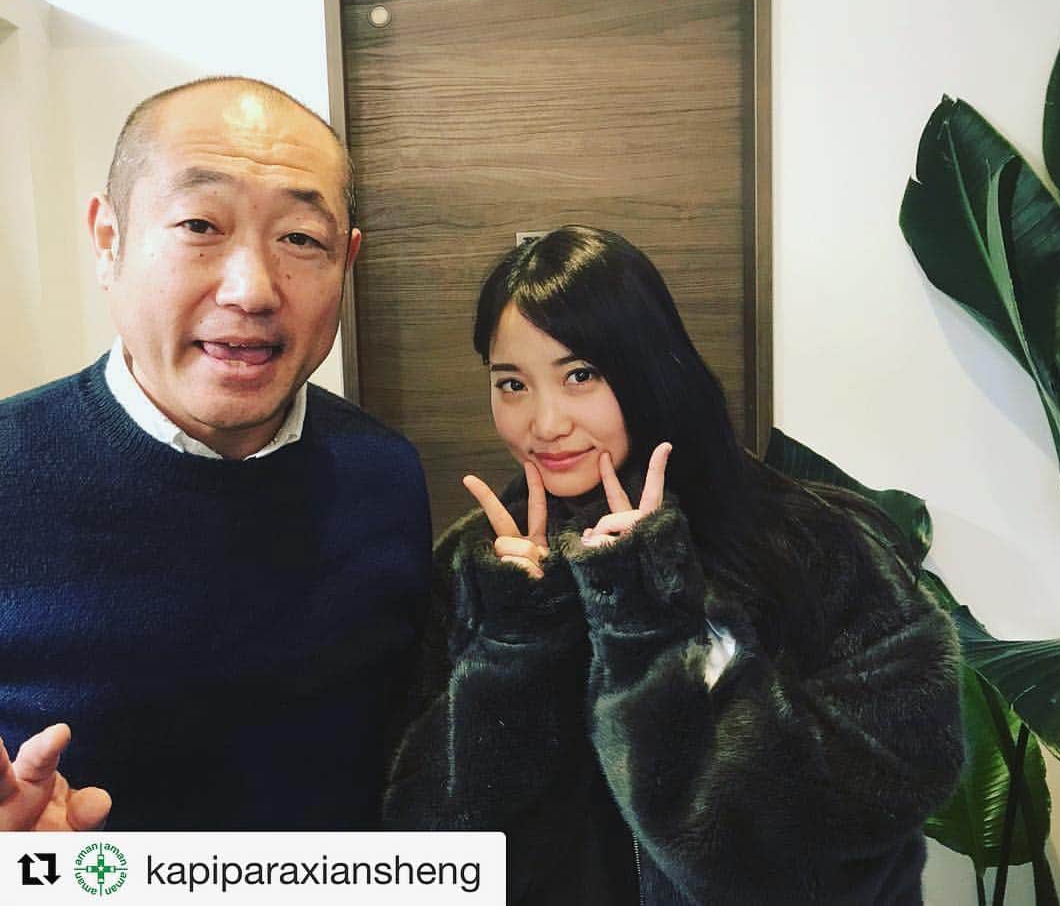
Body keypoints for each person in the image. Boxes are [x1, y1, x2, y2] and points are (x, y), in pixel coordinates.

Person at [383, 226, 963, 904]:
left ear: (648, 366)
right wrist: (517, 641)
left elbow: (871, 800)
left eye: (580, 375)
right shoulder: (479, 566)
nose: (544, 423)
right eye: (511, 383)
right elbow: (433, 853)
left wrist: (651, 622)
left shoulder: (812, 541)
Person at [0, 77, 431, 830]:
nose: (252, 290)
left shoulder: (386, 473)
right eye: (200, 224)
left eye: (301, 239)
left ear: (347, 261)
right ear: (109, 240)